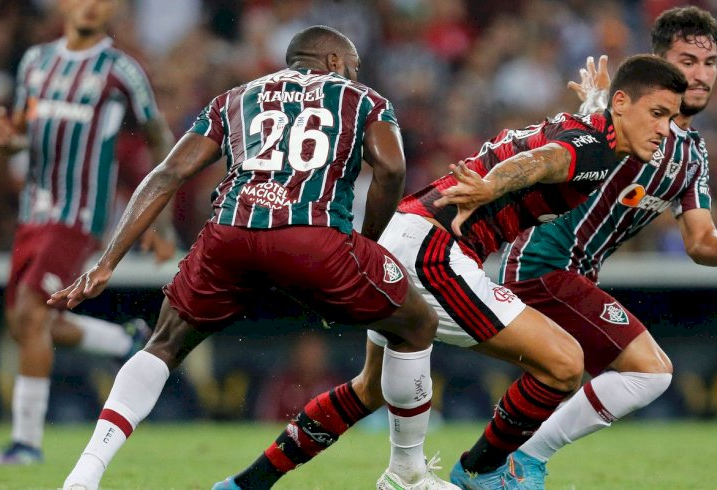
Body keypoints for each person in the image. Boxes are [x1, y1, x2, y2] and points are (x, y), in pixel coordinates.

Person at [217, 54, 688, 490]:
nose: (665, 129)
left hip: (407, 232)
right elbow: (543, 162)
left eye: (670, 117)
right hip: (436, 251)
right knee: (565, 363)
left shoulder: (593, 129)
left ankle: (245, 484)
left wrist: (596, 101)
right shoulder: (595, 150)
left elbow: (571, 146)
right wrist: (491, 185)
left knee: (370, 389)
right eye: (658, 113)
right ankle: (477, 473)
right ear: (623, 104)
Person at [49, 25, 453, 490]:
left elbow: (168, 173)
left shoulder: (235, 98)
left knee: (162, 345)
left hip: (231, 234)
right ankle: (407, 473)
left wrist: (107, 262)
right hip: (314, 239)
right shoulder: (362, 97)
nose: (356, 74)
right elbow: (392, 166)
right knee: (416, 323)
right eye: (354, 66)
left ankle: (84, 474)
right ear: (336, 63)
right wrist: (369, 244)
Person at [495, 7, 717, 487]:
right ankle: (522, 458)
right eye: (687, 60)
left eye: (709, 62)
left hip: (572, 275)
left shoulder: (691, 153)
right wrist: (594, 106)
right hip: (542, 264)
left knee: (559, 378)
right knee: (650, 372)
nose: (700, 74)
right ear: (658, 62)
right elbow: (577, 138)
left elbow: (699, 241)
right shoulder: (627, 118)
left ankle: (478, 464)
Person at [0, 0, 176, 466]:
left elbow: (159, 137)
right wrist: (11, 138)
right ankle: (125, 341)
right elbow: (32, 131)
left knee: (32, 315)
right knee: (27, 323)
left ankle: (27, 443)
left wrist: (159, 219)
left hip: (78, 215)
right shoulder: (35, 61)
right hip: (34, 211)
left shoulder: (121, 69)